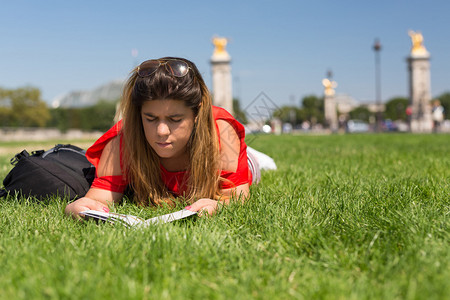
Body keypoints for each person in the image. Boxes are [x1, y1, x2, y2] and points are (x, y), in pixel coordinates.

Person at [65, 57, 264, 219]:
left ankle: (257, 157)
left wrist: (219, 206)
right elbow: (100, 198)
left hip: (237, 158)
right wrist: (78, 207)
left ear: (197, 114)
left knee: (257, 164)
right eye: (150, 118)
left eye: (175, 119)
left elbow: (236, 199)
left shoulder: (222, 130)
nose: (161, 131)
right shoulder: (122, 138)